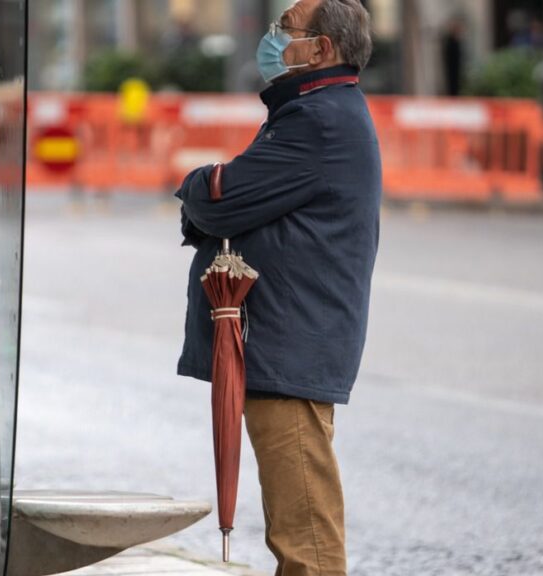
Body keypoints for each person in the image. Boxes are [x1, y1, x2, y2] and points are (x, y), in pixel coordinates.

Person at [174, 1, 380, 574]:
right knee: (297, 524)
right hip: (289, 342)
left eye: (284, 29)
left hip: (290, 343)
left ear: (321, 50)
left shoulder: (318, 119)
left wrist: (195, 186)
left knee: (304, 535)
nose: (272, 39)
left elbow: (221, 196)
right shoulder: (316, 110)